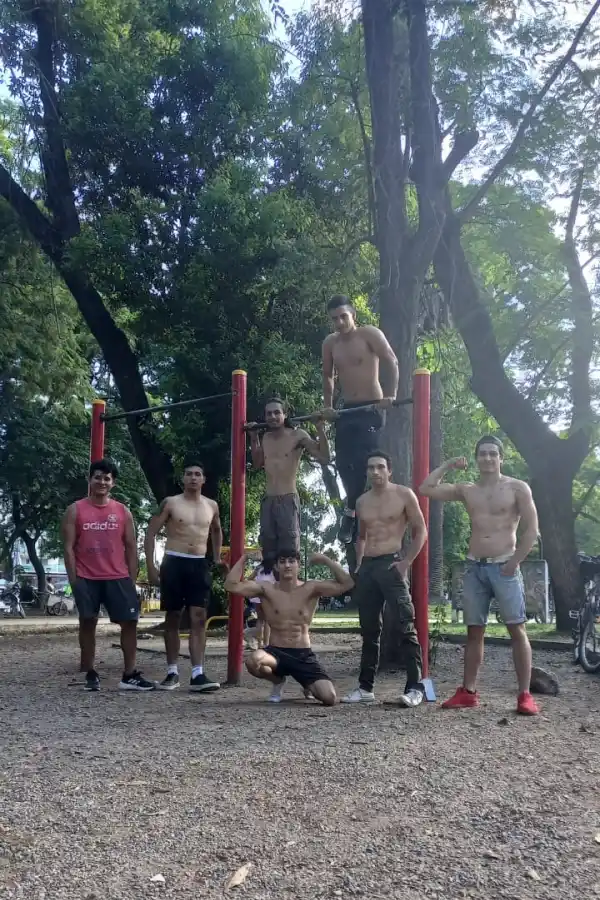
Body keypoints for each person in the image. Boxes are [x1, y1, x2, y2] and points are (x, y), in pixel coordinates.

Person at [420, 436, 540, 715]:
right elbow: (426, 488)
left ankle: (525, 694)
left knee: (516, 629)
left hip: (505, 567)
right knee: (474, 630)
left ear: (501, 458)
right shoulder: (467, 489)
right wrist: (449, 464)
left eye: (492, 454)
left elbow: (531, 529)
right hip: (475, 567)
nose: (487, 458)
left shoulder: (517, 488)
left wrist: (514, 562)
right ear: (476, 458)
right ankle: (468, 691)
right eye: (482, 454)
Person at [342, 451, 427, 706]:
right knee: (369, 629)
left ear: (390, 471)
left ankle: (415, 687)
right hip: (368, 567)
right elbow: (362, 536)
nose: (375, 472)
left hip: (392, 562)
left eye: (380, 467)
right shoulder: (362, 501)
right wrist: (358, 565)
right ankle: (365, 687)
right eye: (371, 468)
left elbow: (420, 529)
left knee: (404, 624)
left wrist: (406, 563)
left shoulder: (403, 494)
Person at [62, 458, 155, 692]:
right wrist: (74, 580)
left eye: (107, 478)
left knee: (130, 623)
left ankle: (130, 674)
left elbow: (132, 546)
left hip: (118, 577)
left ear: (112, 483)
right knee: (87, 622)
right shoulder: (75, 510)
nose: (102, 482)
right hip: (86, 577)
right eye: (97, 477)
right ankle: (90, 672)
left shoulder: (123, 512)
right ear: (90, 480)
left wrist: (131, 578)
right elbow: (68, 547)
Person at [225, 551, 354, 705]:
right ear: (276, 566)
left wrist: (326, 560)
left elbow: (347, 583)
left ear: (298, 565)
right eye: (282, 561)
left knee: (329, 699)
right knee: (253, 661)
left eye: (291, 561)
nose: (287, 565)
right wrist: (244, 558)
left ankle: (306, 683)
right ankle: (278, 680)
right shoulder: (266, 589)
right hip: (276, 652)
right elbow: (230, 585)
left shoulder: (311, 588)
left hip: (302, 654)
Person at [321, 295, 399, 545]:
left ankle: (354, 512)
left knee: (368, 461)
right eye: (335, 318)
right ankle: (351, 508)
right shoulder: (330, 342)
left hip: (371, 407)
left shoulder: (369, 334)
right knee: (343, 461)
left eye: (343, 316)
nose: (340, 322)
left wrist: (391, 395)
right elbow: (328, 376)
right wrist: (328, 406)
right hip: (347, 409)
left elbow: (391, 360)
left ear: (353, 315)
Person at [145, 458, 224, 692]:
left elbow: (217, 530)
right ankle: (172, 672)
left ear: (203, 479)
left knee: (199, 617)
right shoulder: (171, 503)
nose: (193, 478)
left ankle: (198, 673)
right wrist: (150, 566)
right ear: (183, 479)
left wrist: (217, 557)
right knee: (173, 617)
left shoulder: (212, 505)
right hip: (174, 562)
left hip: (198, 563)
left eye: (197, 474)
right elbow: (150, 533)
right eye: (189, 474)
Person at [248, 397, 330, 566]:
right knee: (268, 551)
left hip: (287, 499)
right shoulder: (266, 437)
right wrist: (254, 437)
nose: (272, 416)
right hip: (268, 500)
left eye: (277, 412)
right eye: (269, 413)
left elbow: (324, 458)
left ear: (284, 415)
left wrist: (320, 428)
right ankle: (270, 587)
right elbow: (257, 464)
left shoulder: (297, 435)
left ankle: (291, 589)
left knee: (289, 551)